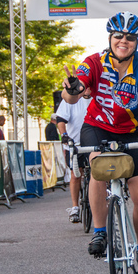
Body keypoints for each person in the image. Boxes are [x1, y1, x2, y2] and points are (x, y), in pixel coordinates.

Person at [61, 11, 138, 274]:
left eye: (129, 37)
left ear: (136, 41)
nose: (123, 41)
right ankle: (100, 231)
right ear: (110, 37)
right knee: (99, 168)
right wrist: (71, 90)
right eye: (118, 36)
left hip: (133, 132)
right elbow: (75, 91)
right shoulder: (94, 62)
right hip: (98, 127)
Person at [56, 86, 92, 223]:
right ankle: (75, 207)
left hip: (91, 144)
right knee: (75, 174)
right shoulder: (71, 100)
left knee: (99, 172)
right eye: (85, 87)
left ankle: (102, 197)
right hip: (74, 144)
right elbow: (60, 120)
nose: (88, 90)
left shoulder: (97, 99)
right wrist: (64, 135)